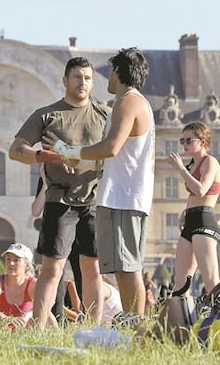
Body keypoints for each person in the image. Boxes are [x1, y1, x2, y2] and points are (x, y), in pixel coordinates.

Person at [8, 56, 108, 328]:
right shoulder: (47, 114)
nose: (83, 82)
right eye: (77, 77)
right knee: (52, 269)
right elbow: (16, 151)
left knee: (92, 269)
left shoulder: (104, 115)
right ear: (65, 80)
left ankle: (94, 329)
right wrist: (49, 156)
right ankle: (38, 329)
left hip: (95, 201)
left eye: (87, 78)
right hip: (59, 200)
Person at [55, 47, 154, 317]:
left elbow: (111, 147)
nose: (107, 77)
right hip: (125, 195)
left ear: (119, 71)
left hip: (124, 197)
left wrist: (71, 152)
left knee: (127, 266)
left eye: (110, 71)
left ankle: (135, 324)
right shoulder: (131, 103)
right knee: (124, 265)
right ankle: (133, 322)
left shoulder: (127, 102)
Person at [168, 121, 220, 296]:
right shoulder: (193, 165)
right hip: (191, 220)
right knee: (180, 282)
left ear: (202, 141)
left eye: (188, 140)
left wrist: (181, 169)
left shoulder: (210, 162)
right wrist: (185, 211)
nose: (184, 144)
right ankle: (181, 322)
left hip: (204, 220)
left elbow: (201, 190)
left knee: (211, 281)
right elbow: (193, 196)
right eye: (182, 140)